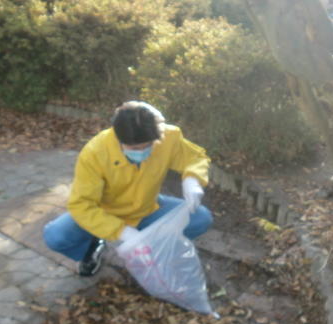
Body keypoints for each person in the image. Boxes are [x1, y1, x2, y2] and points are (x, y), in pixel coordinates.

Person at [44, 101, 213, 276]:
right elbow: (81, 205)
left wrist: (192, 179)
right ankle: (92, 249)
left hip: (147, 208)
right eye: (134, 148)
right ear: (117, 138)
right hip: (105, 212)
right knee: (56, 236)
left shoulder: (168, 136)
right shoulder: (95, 152)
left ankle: (157, 248)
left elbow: (195, 158)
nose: (142, 151)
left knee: (200, 218)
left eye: (148, 145)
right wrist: (122, 232)